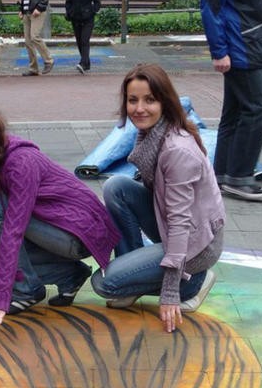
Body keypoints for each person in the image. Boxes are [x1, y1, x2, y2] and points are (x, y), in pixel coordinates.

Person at [0, 92, 119, 333]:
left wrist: (1, 299)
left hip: (77, 233)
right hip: (45, 228)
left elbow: (13, 232)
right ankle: (70, 275)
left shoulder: (20, 161)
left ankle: (26, 289)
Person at [91, 64, 225, 334]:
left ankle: (193, 283)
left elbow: (180, 224)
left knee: (104, 283)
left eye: (149, 100)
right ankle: (133, 275)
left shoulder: (177, 151)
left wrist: (170, 293)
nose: (139, 108)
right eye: (133, 100)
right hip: (175, 226)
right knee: (116, 187)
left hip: (196, 245)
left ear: (164, 101)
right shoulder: (152, 134)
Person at [200, 0, 262, 202]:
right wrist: (219, 51)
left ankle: (222, 175)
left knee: (235, 112)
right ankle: (239, 177)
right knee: (257, 108)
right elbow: (210, 4)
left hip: (250, 41)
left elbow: (253, 2)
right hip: (240, 45)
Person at [19, 0, 54, 77]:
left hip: (37, 11)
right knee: (28, 41)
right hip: (27, 12)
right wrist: (21, 9)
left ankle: (49, 60)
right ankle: (33, 68)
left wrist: (39, 7)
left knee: (34, 36)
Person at [65, 0, 100, 75]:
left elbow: (97, 1)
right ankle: (87, 63)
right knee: (79, 42)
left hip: (88, 19)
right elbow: (68, 1)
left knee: (85, 41)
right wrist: (70, 12)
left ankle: (83, 64)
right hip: (76, 19)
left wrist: (93, 11)